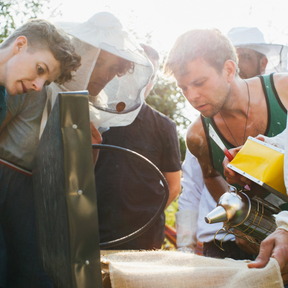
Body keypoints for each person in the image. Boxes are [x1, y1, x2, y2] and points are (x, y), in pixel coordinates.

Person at [0, 12, 152, 288]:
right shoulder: (31, 82)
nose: (105, 76)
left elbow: (73, 180)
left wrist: (88, 153)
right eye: (99, 63)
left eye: (114, 68)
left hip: (42, 205)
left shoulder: (91, 110)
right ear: (84, 55)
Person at [164, 28, 288, 281]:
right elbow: (209, 177)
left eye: (199, 83)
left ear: (230, 70)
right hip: (259, 249)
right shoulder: (198, 135)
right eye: (183, 88)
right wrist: (241, 222)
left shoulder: (284, 91)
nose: (192, 96)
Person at [94, 43, 181, 250]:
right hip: (96, 232)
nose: (143, 83)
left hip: (144, 239)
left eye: (150, 77)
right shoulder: (95, 117)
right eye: (139, 74)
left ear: (153, 81)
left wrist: (146, 216)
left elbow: (174, 185)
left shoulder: (164, 126)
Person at [0, 18, 81, 130]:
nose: (38, 87)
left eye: (46, 83)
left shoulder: (1, 108)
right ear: (20, 45)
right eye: (40, 69)